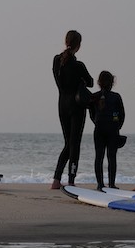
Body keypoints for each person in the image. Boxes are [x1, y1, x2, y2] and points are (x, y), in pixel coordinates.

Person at [51, 30, 94, 189]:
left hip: (62, 104)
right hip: (76, 106)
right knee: (74, 144)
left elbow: (58, 79)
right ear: (79, 45)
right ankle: (71, 180)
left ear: (65, 41)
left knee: (68, 143)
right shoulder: (78, 65)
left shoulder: (56, 61)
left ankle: (56, 179)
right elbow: (90, 82)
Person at [87, 71, 126, 191]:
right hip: (113, 129)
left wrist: (98, 122)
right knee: (112, 157)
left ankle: (100, 184)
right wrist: (117, 126)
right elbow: (122, 114)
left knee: (99, 157)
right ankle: (112, 184)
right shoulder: (116, 97)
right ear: (112, 83)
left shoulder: (94, 97)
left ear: (99, 83)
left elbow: (92, 115)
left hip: (99, 128)